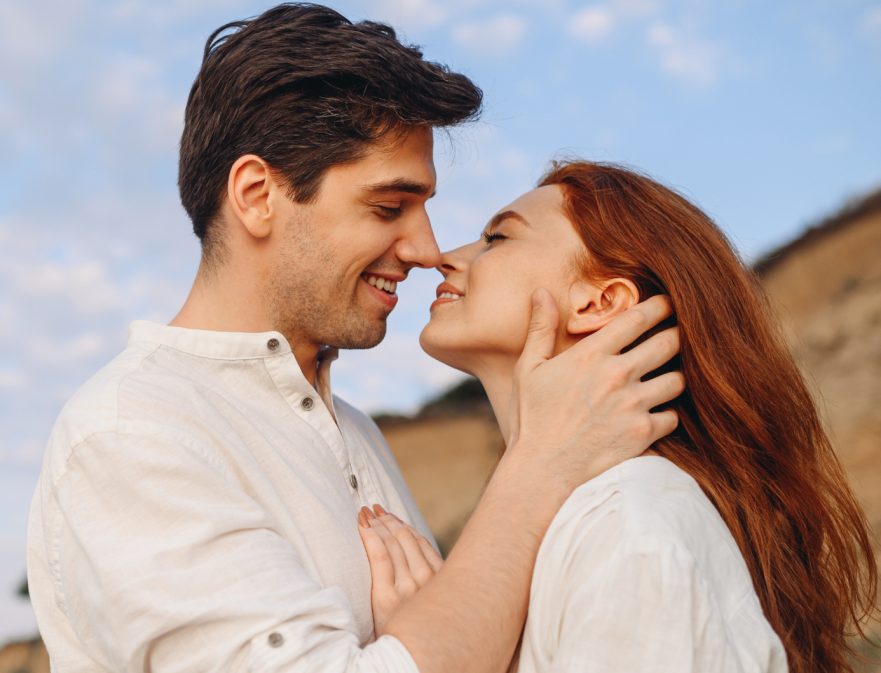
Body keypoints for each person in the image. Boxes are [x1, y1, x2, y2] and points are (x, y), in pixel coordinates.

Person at [25, 6, 684, 672]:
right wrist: (538, 467)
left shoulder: (357, 433)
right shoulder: (130, 433)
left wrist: (418, 632)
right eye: (388, 207)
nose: (426, 248)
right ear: (257, 195)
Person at [361, 160, 878, 673]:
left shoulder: (631, 524)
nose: (443, 258)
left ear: (600, 302)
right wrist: (445, 636)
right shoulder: (579, 525)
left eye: (497, 239)